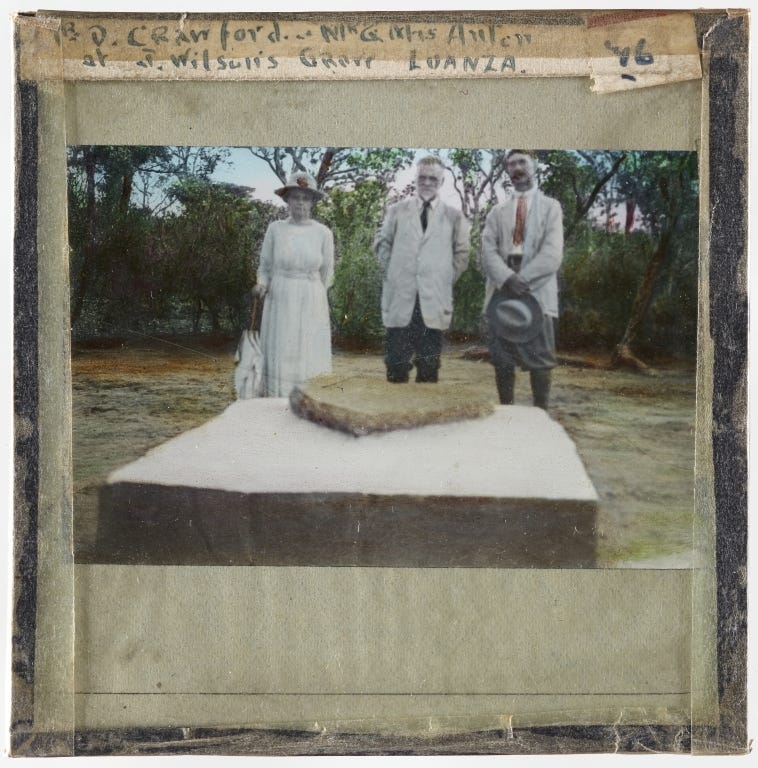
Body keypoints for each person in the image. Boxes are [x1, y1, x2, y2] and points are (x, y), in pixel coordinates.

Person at [373, 156, 470, 383]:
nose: (427, 182)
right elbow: (381, 244)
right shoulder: (396, 211)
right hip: (401, 297)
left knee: (428, 369)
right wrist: (395, 271)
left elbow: (462, 253)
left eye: (433, 178)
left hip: (434, 299)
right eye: (422, 177)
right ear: (416, 178)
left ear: (442, 180)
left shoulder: (454, 216)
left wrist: (443, 278)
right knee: (396, 368)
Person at [480, 150, 564, 409]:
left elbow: (552, 252)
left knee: (541, 360)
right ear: (507, 170)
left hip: (537, 291)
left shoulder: (551, 207)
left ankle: (541, 416)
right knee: (503, 361)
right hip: (501, 291)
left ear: (534, 166)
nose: (517, 168)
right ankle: (507, 415)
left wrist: (522, 280)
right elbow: (487, 250)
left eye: (522, 162)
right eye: (511, 164)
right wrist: (507, 279)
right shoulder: (497, 212)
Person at [253, 172, 334, 397]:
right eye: (295, 197)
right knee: (283, 346)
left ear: (312, 202)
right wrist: (262, 284)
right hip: (280, 296)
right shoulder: (276, 229)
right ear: (287, 200)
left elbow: (327, 272)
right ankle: (278, 397)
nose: (300, 202)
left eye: (305, 198)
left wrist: (314, 294)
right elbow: (265, 267)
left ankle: (309, 399)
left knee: (309, 348)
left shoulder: (323, 233)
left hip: (311, 297)